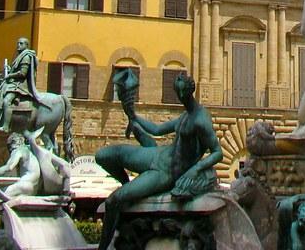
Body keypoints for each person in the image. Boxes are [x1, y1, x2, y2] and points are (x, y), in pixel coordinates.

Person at [95, 73, 223, 250]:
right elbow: (156, 130)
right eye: (177, 93)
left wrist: (195, 170)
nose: (179, 97)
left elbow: (218, 153)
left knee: (113, 201)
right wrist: (133, 116)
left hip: (166, 173)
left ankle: (102, 247)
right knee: (103, 155)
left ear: (188, 92)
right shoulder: (185, 116)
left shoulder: (200, 119)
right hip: (157, 154)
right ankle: (127, 186)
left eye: (180, 93)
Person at [0, 133, 42, 204]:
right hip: (33, 189)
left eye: (9, 147)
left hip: (24, 185)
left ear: (14, 142)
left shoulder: (18, 150)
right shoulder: (29, 151)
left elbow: (8, 168)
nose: (10, 150)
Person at [0, 38, 41, 132]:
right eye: (18, 43)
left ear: (26, 45)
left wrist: (9, 75)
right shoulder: (20, 56)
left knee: (7, 101)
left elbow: (23, 73)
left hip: (20, 85)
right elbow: (17, 70)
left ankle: (6, 126)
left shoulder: (26, 57)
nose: (18, 45)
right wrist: (9, 69)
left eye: (21, 43)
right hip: (14, 83)